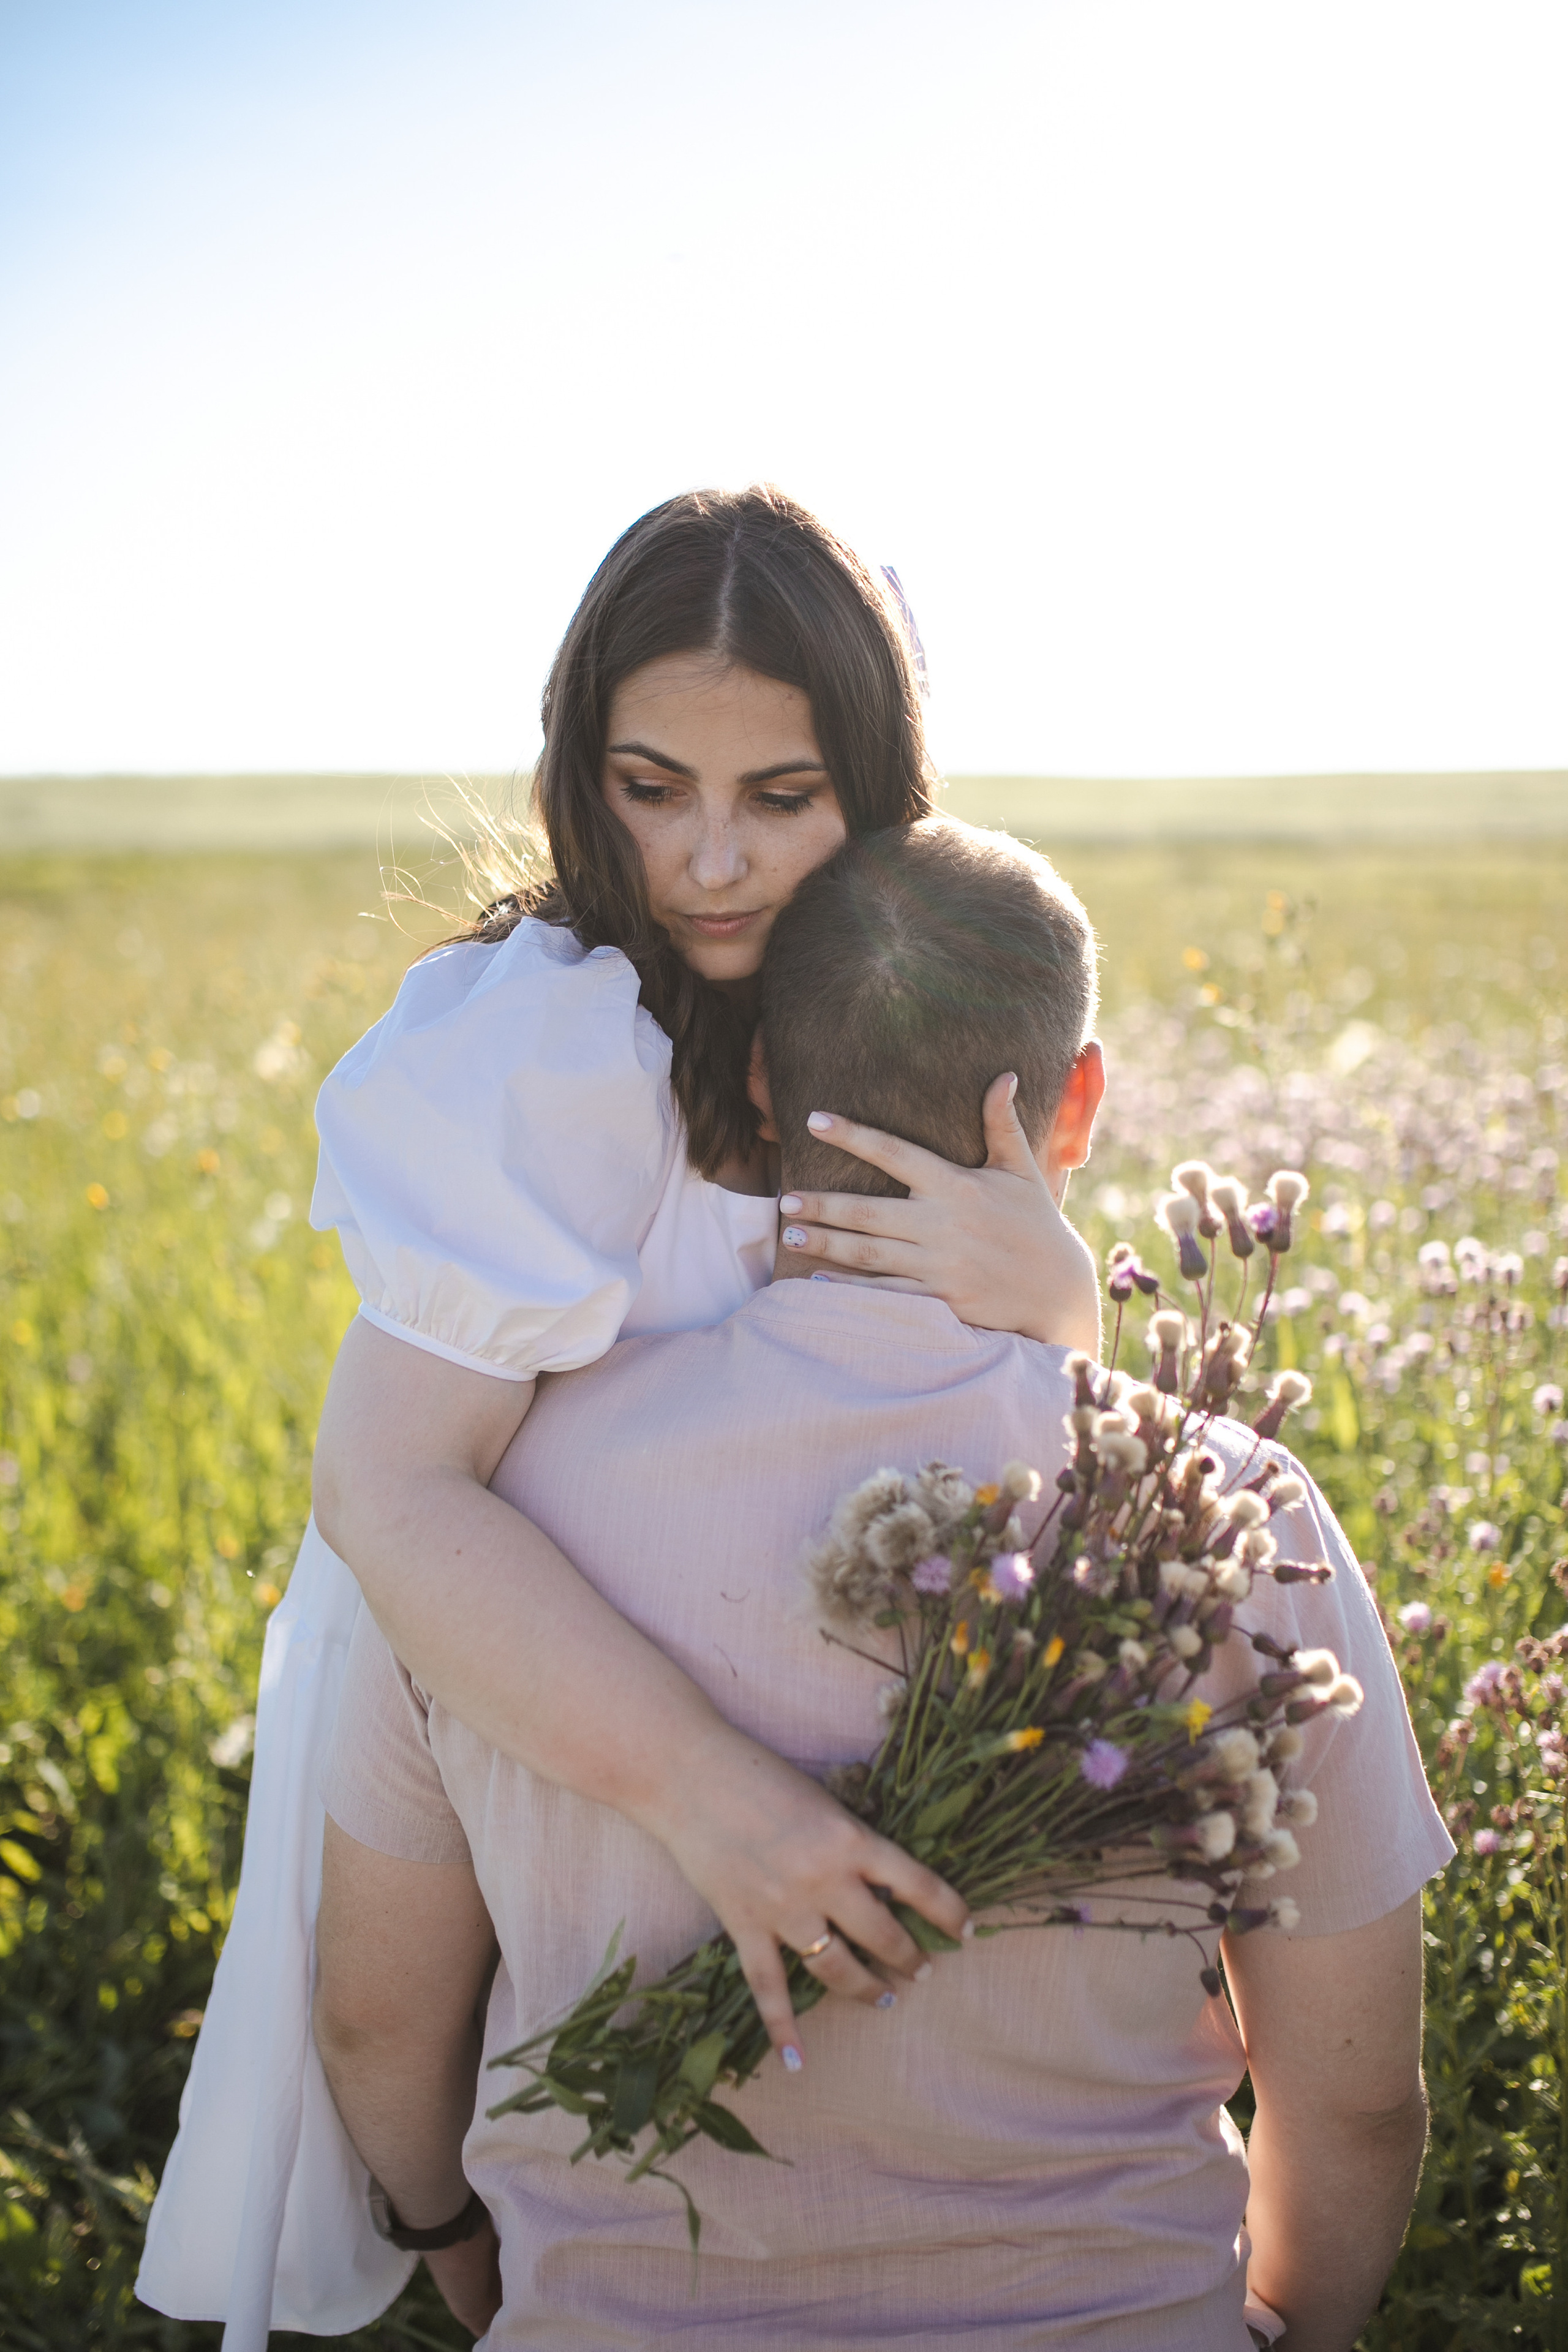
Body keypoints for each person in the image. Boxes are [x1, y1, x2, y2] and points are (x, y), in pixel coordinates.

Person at [135, 487, 1103, 2346]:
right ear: (580, 769)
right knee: (496, 2146)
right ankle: (467, 2257)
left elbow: (1030, 1386)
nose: (712, 865)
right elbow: (387, 1493)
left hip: (783, 1688)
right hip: (498, 1684)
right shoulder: (547, 1043)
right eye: (651, 788)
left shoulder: (882, 1011)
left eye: (783, 797)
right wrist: (715, 1801)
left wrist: (1055, 1293)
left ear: (880, 784)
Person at [313, 818, 1452, 2352]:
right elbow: (1360, 2100)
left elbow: (375, 2021)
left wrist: (461, 2250)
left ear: (767, 1081)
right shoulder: (1234, 1521)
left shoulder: (485, 1513)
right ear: (1077, 1104)